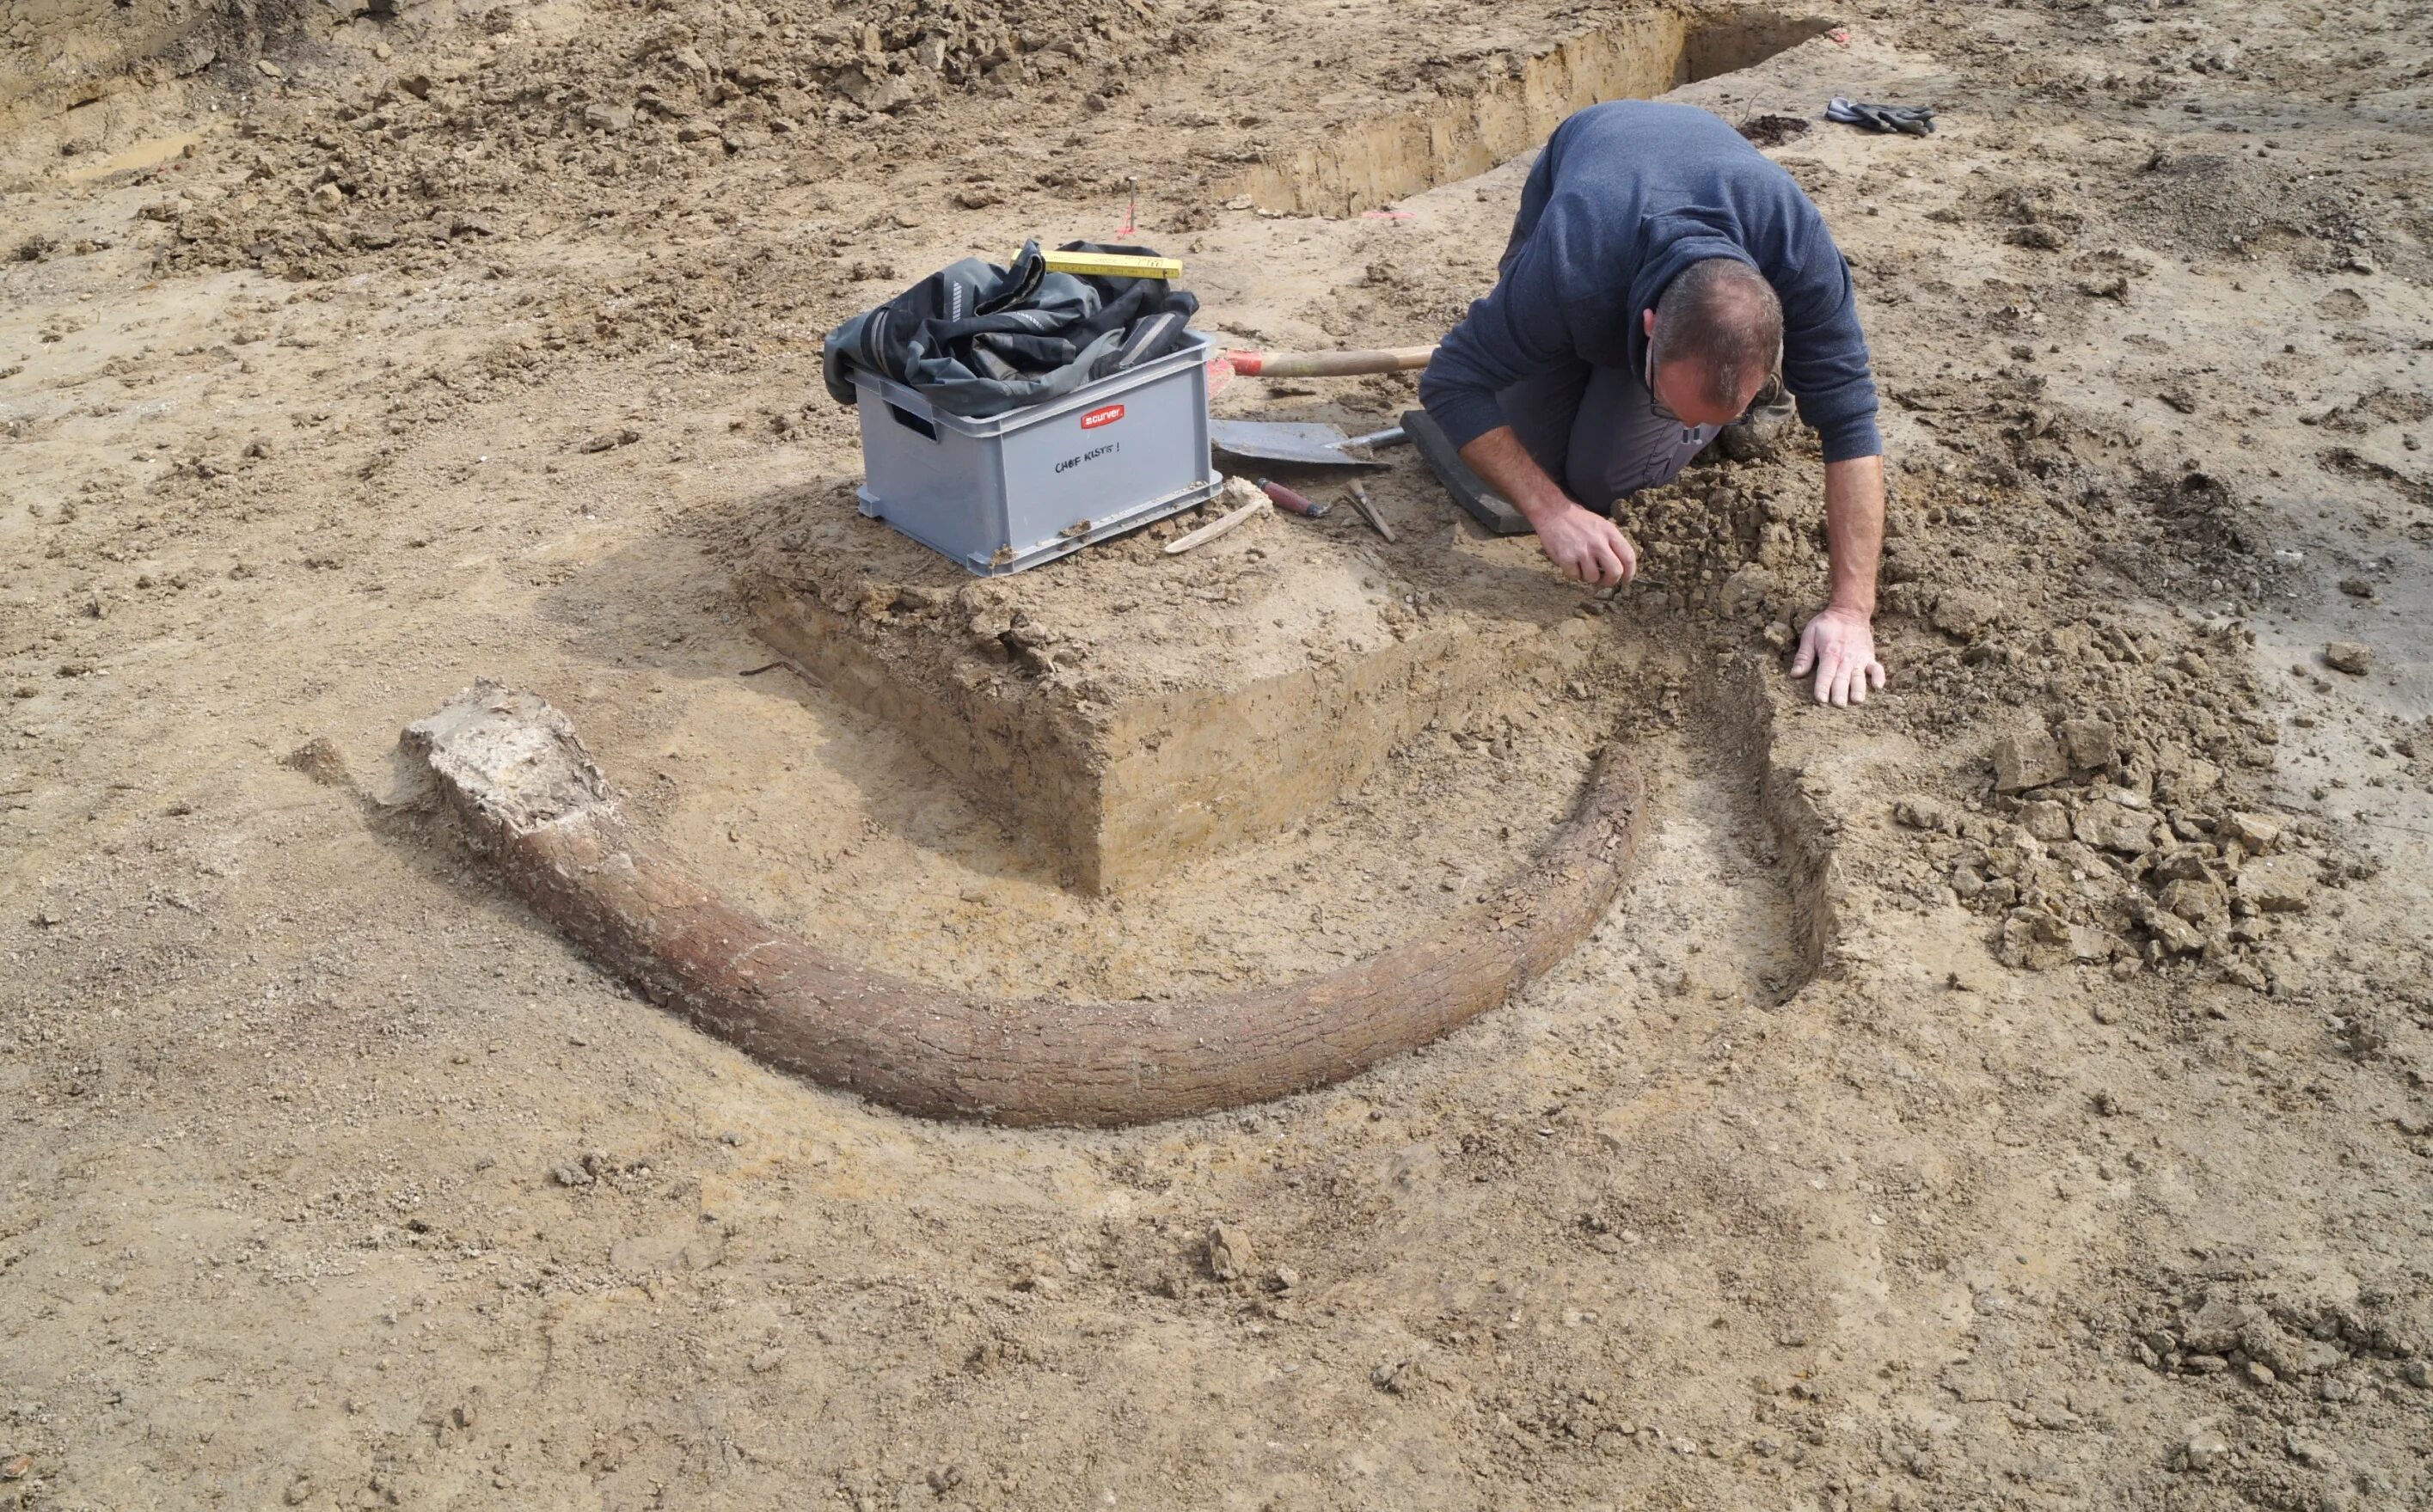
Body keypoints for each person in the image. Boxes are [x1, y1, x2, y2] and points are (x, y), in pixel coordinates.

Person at [1418, 100, 1889, 707]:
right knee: (1532, 454)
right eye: (1677, 408)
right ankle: (1638, 391)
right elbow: (1450, 381)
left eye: (1705, 419)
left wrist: (1852, 610)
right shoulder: (1570, 259)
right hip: (1587, 179)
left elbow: (1852, 426)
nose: (1687, 424)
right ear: (1648, 327)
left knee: (1600, 473)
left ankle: (1731, 405)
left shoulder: (1797, 252)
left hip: (1665, 203)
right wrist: (1552, 512)